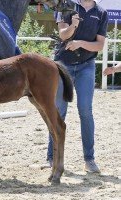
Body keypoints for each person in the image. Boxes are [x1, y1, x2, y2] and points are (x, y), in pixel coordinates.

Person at [47, 0, 109, 173]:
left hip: (86, 65)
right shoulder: (66, 6)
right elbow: (63, 35)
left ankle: (89, 159)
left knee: (86, 111)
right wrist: (73, 26)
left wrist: (80, 43)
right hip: (63, 64)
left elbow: (100, 45)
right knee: (58, 111)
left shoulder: (101, 13)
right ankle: (52, 157)